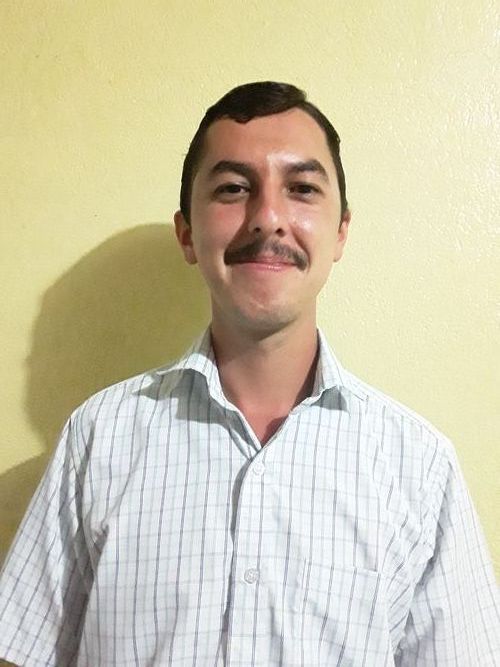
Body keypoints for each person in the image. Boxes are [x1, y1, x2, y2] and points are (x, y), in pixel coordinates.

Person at [0, 81, 498, 666]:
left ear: (341, 231)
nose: (268, 218)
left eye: (302, 188)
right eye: (234, 189)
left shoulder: (419, 466)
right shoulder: (98, 437)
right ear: (187, 233)